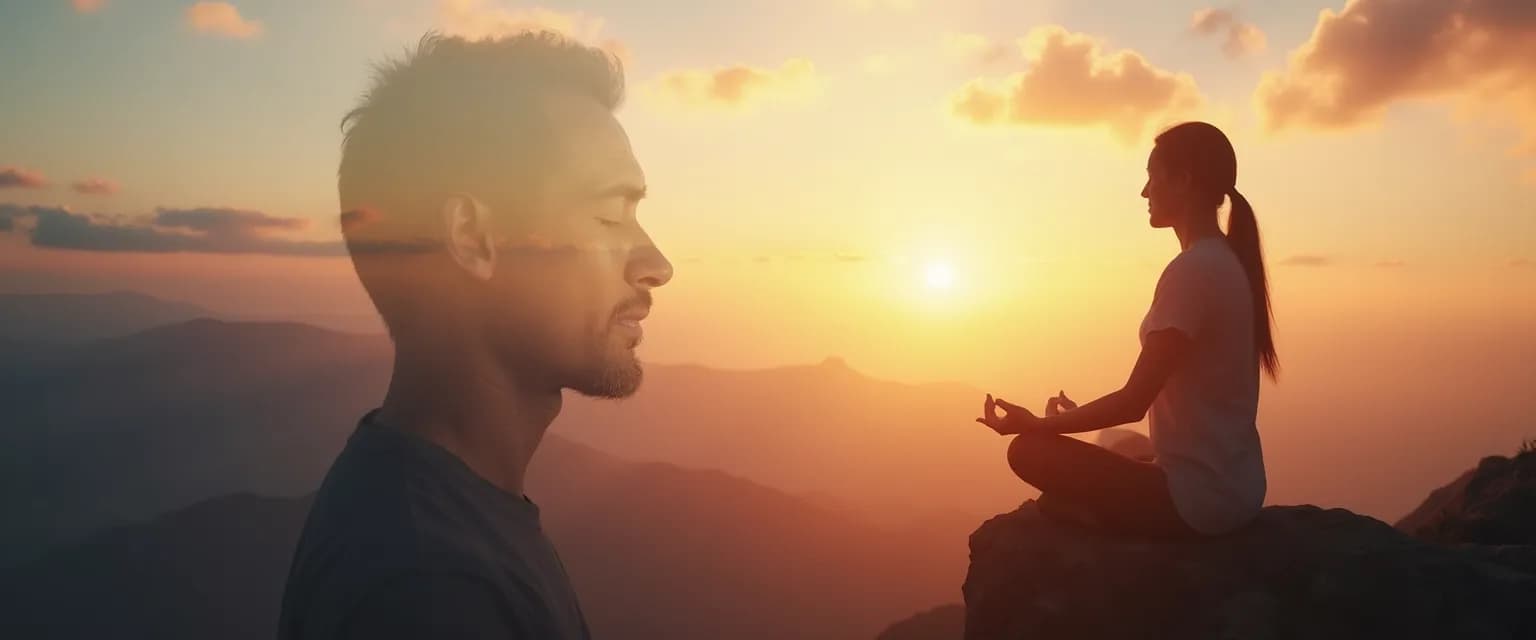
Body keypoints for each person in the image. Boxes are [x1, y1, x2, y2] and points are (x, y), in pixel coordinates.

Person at [278, 31, 671, 639]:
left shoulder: (430, 511)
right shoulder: (431, 592)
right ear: (473, 238)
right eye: (608, 215)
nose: (656, 265)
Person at [973, 121, 1277, 538]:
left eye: (1152, 177)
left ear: (1183, 180)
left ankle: (1097, 521)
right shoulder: (1226, 261)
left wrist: (1037, 425)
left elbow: (1133, 402)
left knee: (1027, 451)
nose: (1144, 191)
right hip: (1236, 490)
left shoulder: (1193, 271)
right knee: (1117, 443)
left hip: (1196, 504)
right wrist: (1077, 418)